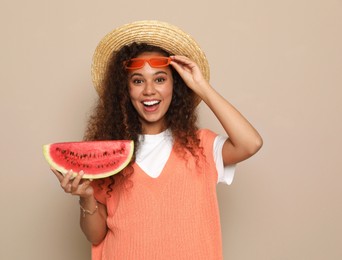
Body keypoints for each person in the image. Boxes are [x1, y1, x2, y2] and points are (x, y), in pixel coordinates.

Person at [51, 20, 262, 259]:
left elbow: (250, 143)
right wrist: (86, 196)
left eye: (160, 79)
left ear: (176, 85)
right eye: (138, 80)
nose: (149, 90)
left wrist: (201, 86)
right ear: (125, 90)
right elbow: (95, 236)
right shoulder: (109, 154)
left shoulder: (202, 146)